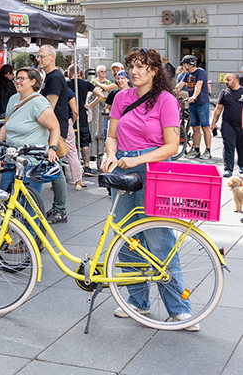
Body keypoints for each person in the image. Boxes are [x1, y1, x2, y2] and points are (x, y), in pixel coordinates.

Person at [99, 48, 196, 331]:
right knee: (125, 237)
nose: (134, 71)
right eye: (132, 66)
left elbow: (171, 146)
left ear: (155, 71)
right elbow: (112, 136)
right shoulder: (121, 97)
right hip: (122, 168)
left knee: (159, 239)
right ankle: (137, 301)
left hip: (152, 170)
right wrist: (110, 155)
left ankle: (179, 309)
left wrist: (137, 159)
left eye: (141, 67)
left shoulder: (166, 100)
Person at [0, 67, 61, 202]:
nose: (17, 81)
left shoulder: (38, 102)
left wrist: (52, 148)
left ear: (32, 81)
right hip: (10, 160)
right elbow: (6, 127)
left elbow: (55, 127)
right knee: (5, 202)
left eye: (22, 78)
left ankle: (30, 224)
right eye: (16, 78)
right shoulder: (13, 100)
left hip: (31, 162)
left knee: (29, 205)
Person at [36, 45, 70, 223]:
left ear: (52, 57)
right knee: (55, 167)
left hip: (54, 128)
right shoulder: (52, 76)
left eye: (42, 57)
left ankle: (60, 209)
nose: (39, 59)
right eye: (38, 57)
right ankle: (58, 207)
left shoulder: (54, 77)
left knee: (55, 168)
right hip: (55, 126)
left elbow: (49, 106)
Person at [67, 65, 105, 174]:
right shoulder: (86, 84)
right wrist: (90, 105)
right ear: (80, 73)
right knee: (84, 141)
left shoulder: (66, 84)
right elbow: (101, 95)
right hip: (82, 115)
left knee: (69, 140)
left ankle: (70, 166)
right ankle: (87, 165)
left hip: (69, 115)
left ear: (69, 73)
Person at [210, 73, 243, 178]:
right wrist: (214, 122)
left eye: (228, 80)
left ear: (236, 81)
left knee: (241, 146)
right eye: (226, 80)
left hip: (241, 125)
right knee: (228, 146)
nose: (226, 82)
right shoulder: (224, 93)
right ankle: (228, 168)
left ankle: (242, 166)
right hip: (228, 124)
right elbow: (218, 108)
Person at [180, 54, 211, 159]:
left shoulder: (201, 72)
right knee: (195, 128)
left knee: (205, 127)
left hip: (202, 103)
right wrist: (172, 92)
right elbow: (180, 84)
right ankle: (196, 150)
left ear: (190, 64)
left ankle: (207, 151)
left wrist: (193, 96)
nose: (183, 66)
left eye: (184, 63)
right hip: (192, 105)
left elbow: (198, 85)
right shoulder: (188, 73)